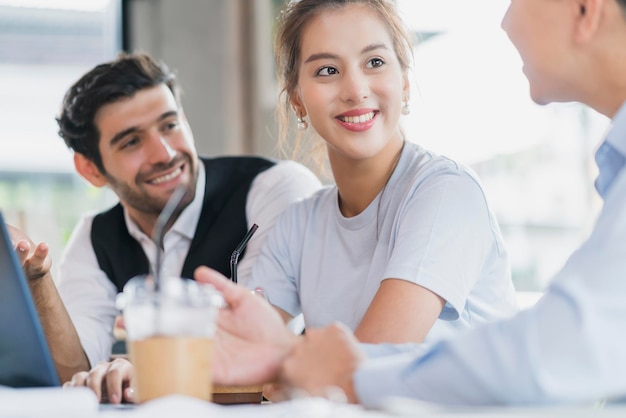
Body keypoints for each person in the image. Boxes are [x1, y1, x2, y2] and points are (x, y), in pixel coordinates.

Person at [65, 0, 520, 404]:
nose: (355, 89)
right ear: (298, 100)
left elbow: (363, 368)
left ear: (404, 82)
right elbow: (234, 355)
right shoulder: (300, 223)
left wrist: (283, 373)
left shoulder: (443, 192)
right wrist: (144, 373)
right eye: (327, 70)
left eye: (375, 62)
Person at [20, 51, 321, 384]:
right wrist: (37, 280)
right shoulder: (95, 236)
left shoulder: (273, 189)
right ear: (90, 169)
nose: (164, 154)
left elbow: (260, 336)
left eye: (169, 125)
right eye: (132, 142)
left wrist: (145, 370)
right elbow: (74, 370)